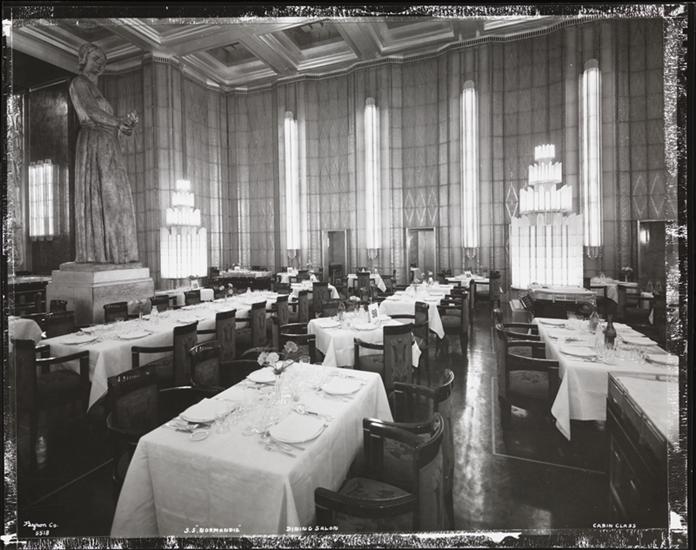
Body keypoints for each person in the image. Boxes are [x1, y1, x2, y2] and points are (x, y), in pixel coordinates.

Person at [69, 42, 139, 264]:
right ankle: (100, 254)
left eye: (104, 61)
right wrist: (118, 122)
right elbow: (91, 110)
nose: (100, 64)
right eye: (96, 58)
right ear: (83, 59)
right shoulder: (79, 83)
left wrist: (124, 127)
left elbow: (107, 119)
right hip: (94, 142)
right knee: (105, 196)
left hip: (109, 144)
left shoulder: (96, 88)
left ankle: (117, 253)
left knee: (117, 198)